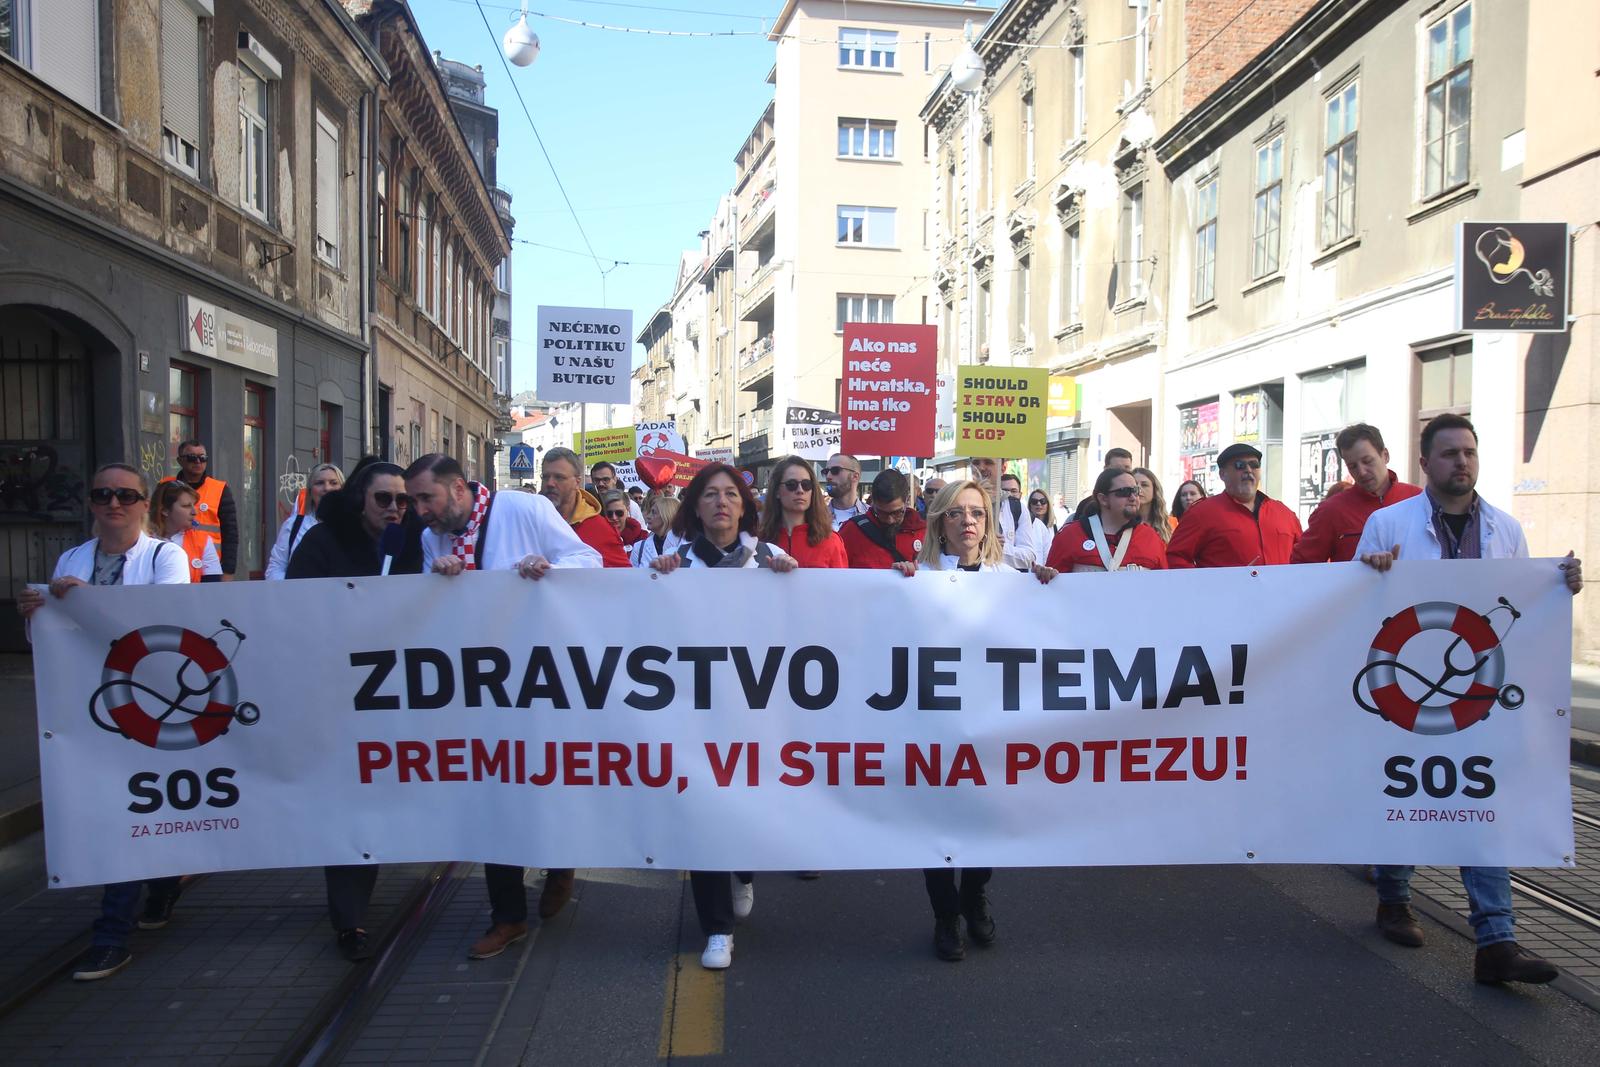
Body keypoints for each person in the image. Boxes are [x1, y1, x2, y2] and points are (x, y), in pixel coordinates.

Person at [1356, 414, 1582, 985]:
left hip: (1477, 692)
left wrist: (1559, 586)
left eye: (1471, 453)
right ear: (1425, 462)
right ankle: (1394, 896)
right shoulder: (1388, 524)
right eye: (1451, 453)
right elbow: (1351, 606)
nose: (1463, 462)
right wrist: (1369, 571)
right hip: (1405, 687)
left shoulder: (1506, 530)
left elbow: (1523, 608)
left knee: (1480, 805)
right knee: (1407, 792)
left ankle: (1496, 940)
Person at [403, 454, 603, 956]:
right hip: (482, 689)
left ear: (457, 488)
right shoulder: (434, 537)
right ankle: (507, 916)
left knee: (544, 783)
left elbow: (588, 560)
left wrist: (548, 568)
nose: (419, 510)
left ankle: (560, 863)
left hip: (541, 679)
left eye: (426, 498)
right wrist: (441, 576)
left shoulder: (523, 509)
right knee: (493, 793)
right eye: (414, 501)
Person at [18, 465, 191, 980]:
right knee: (122, 809)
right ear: (91, 503)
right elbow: (56, 642)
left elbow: (169, 623)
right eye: (102, 494)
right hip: (92, 705)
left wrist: (88, 602)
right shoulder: (73, 558)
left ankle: (113, 932)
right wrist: (39, 615)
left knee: (132, 811)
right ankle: (158, 887)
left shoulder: (167, 556)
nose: (112, 503)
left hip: (152, 702)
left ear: (145, 505)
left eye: (124, 495)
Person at [651, 464, 798, 970]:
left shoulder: (773, 558)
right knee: (703, 812)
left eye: (730, 494)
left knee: (749, 805)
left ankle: (744, 870)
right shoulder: (673, 563)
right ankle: (717, 928)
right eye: (710, 495)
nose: (720, 503)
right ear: (694, 506)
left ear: (744, 505)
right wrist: (658, 584)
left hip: (758, 710)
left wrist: (792, 583)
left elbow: (804, 625)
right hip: (695, 713)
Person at [285, 459, 424, 961]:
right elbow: (295, 609)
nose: (395, 509)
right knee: (351, 802)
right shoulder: (321, 544)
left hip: (401, 698)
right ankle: (349, 917)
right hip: (339, 699)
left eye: (403, 501)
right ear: (360, 500)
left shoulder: (413, 543)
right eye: (384, 499)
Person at [888, 481, 1009, 961]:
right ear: (940, 521)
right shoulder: (919, 575)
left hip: (991, 722)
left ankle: (974, 895)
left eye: (976, 512)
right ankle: (944, 917)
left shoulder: (1008, 576)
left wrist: (1046, 583)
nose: (968, 522)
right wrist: (896, 584)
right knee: (936, 823)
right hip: (932, 721)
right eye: (956, 513)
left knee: (984, 818)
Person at [1291, 424, 1420, 564]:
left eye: (1367, 461)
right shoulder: (1331, 511)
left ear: (1385, 456)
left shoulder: (1418, 498)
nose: (1362, 472)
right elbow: (1301, 566)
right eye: (1352, 466)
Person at [1166, 444, 1301, 568]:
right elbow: (1175, 556)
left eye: (1254, 465)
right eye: (1239, 465)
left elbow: (1304, 558)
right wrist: (1203, 586)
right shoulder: (1202, 513)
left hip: (1280, 593)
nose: (1248, 470)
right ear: (1222, 474)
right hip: (1224, 594)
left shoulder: (1284, 513)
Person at [1045, 468, 1168, 572]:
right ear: (1103, 499)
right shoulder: (1070, 536)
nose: (1133, 497)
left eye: (1135, 491)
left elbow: (1164, 587)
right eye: (1124, 492)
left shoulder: (1151, 538)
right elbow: (1051, 589)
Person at [541, 447, 630, 567]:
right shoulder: (530, 521)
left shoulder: (599, 529)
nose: (550, 483)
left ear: (577, 482)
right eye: (545, 477)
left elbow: (625, 579)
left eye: (559, 477)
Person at [758, 456, 848, 568]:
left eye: (806, 485)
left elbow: (840, 584)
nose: (800, 490)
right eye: (791, 484)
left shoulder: (831, 540)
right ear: (777, 491)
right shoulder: (758, 541)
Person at [166, 439, 238, 578]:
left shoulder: (219, 489)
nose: (198, 462)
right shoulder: (166, 487)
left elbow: (230, 533)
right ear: (180, 461)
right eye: (192, 458)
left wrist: (228, 571)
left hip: (209, 566)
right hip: (173, 562)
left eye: (202, 458)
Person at [266, 463, 344, 580]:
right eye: (319, 483)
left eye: (333, 483)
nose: (327, 488)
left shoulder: (354, 527)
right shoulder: (293, 526)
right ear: (310, 491)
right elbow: (275, 567)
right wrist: (292, 588)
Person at [839, 468, 927, 569]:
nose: (890, 520)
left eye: (897, 512)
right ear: (872, 503)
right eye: (881, 513)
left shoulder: (923, 532)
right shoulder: (851, 531)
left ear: (907, 500)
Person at [968, 457, 1042, 569]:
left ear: (1003, 468)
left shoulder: (1017, 507)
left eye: (988, 462)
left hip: (1004, 582)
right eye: (976, 463)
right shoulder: (955, 502)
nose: (981, 468)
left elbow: (1029, 558)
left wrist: (1001, 548)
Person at [148, 480, 222, 582]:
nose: (194, 512)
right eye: (186, 506)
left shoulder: (203, 541)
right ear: (164, 510)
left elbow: (213, 588)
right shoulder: (141, 540)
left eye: (193, 505)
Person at [631, 495, 683, 568]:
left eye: (653, 512)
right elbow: (633, 577)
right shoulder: (639, 547)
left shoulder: (686, 547)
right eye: (650, 512)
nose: (648, 516)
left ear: (667, 516)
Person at [823, 453, 869, 529]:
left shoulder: (871, 516)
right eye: (826, 471)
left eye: (835, 470)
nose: (828, 476)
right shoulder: (816, 516)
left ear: (855, 476)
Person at [1132, 467, 1175, 543]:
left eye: (1144, 485)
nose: (1138, 488)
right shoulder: (1122, 522)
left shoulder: (1170, 524)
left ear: (1155, 491)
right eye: (1134, 485)